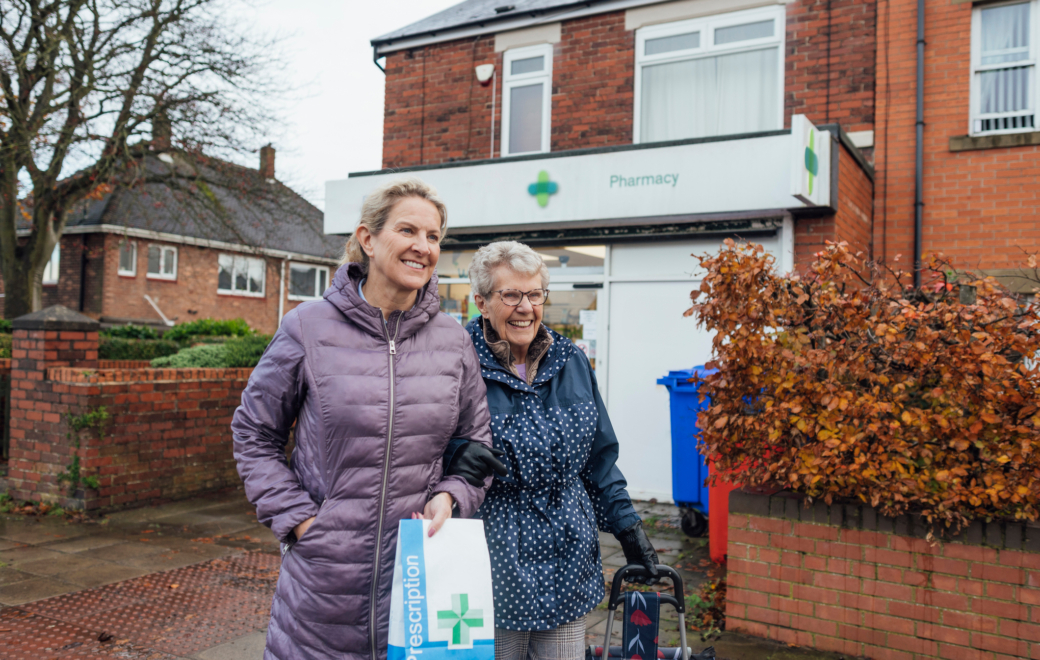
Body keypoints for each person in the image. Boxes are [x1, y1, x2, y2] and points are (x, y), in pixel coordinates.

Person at [232, 178, 496, 660]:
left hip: (419, 583)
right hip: (323, 589)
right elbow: (254, 433)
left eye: (434, 236)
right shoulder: (307, 327)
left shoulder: (453, 342)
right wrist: (300, 522)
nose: (423, 247)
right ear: (368, 240)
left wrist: (452, 497)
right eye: (408, 230)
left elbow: (475, 443)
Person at [446, 240, 659, 660]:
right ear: (482, 302)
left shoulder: (571, 359)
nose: (525, 307)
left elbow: (599, 459)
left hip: (567, 556)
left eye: (534, 294)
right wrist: (455, 454)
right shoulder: (455, 358)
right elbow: (419, 441)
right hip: (490, 557)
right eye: (510, 295)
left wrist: (628, 527)